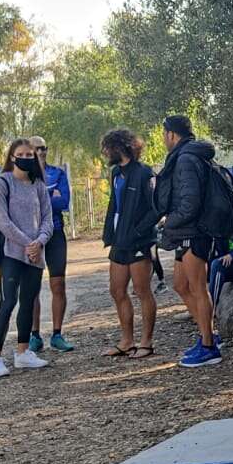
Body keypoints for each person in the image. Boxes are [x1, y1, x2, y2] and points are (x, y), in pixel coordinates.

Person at [154, 115, 223, 367]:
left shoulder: (185, 159)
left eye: (164, 135)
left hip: (194, 232)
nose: (163, 139)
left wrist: (169, 221)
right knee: (180, 285)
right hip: (185, 232)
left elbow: (190, 202)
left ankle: (209, 346)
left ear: (172, 134)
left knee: (197, 288)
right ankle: (208, 334)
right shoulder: (189, 155)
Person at [0, 138, 54, 379]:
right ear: (12, 157)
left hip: (35, 254)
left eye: (29, 154)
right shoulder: (1, 183)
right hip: (11, 253)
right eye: (21, 154)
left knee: (28, 301)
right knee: (8, 302)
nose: (25, 158)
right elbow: (2, 221)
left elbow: (48, 219)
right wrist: (27, 243)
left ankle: (23, 351)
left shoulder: (38, 185)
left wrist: (39, 242)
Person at [100, 128, 159, 359]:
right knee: (116, 290)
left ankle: (147, 342)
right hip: (119, 240)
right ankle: (127, 341)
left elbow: (156, 208)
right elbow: (114, 204)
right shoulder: (116, 173)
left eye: (108, 148)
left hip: (139, 242)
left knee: (142, 290)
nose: (105, 153)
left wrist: (138, 231)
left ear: (121, 147)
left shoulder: (144, 173)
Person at [26, 138, 73, 352]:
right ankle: (34, 335)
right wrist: (49, 194)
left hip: (55, 232)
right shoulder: (23, 175)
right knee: (32, 286)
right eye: (37, 149)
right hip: (31, 236)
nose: (42, 152)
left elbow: (63, 202)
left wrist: (39, 198)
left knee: (58, 284)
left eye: (44, 148)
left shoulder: (58, 173)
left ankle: (57, 334)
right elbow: (23, 205)